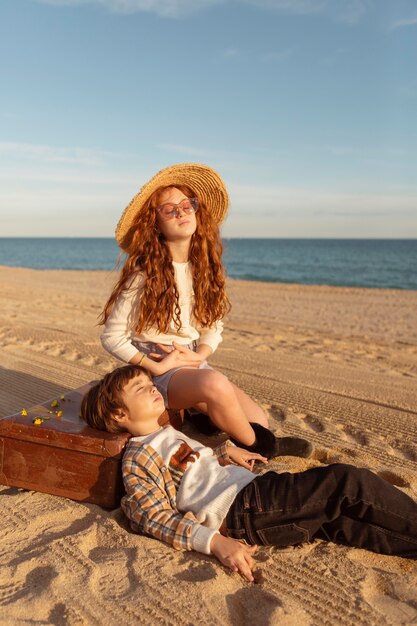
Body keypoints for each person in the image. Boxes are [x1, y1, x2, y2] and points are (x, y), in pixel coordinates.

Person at [81, 365, 417, 583]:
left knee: (342, 521)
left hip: (255, 495)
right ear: (119, 413)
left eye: (148, 380)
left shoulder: (163, 432)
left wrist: (223, 452)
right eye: (140, 388)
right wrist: (215, 543)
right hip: (244, 509)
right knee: (346, 482)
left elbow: (187, 470)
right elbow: (150, 515)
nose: (152, 386)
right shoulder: (139, 456)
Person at [99, 162, 311, 458]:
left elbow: (213, 326)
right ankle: (265, 448)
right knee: (217, 386)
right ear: (155, 223)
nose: (181, 212)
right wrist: (157, 366)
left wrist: (199, 355)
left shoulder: (204, 269)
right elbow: (112, 336)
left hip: (191, 362)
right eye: (168, 209)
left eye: (187, 205)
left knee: (257, 418)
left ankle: (205, 418)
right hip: (156, 372)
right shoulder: (144, 275)